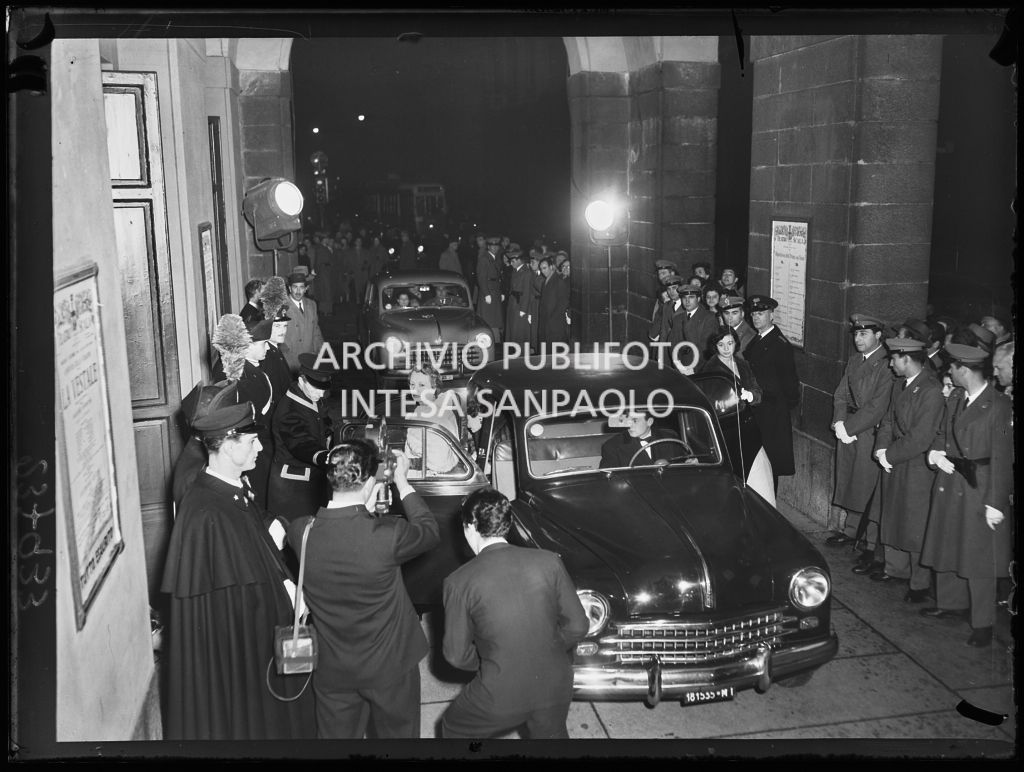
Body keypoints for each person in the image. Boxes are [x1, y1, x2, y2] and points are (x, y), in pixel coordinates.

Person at [161, 402, 315, 740]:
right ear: (229, 446)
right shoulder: (205, 512)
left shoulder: (230, 490)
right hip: (243, 655)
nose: (260, 446)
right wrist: (286, 599)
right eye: (251, 441)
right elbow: (235, 601)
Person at [287, 441, 438, 738]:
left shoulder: (300, 531)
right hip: (390, 667)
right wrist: (403, 482)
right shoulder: (387, 536)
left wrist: (362, 507)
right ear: (370, 481)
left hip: (333, 668)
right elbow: (429, 531)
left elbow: (343, 532)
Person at [440, 488, 589, 739]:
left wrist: (488, 662)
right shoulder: (549, 561)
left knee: (453, 726)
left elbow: (456, 655)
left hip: (500, 692)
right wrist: (547, 646)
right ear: (506, 524)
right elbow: (578, 626)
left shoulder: (458, 582)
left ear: (471, 526)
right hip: (556, 683)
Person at [919, 344, 1013, 648]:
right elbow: (944, 435)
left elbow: (1002, 457)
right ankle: (950, 602)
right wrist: (937, 453)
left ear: (964, 370)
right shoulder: (957, 398)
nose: (948, 372)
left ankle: (983, 623)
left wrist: (996, 503)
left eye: (952, 368)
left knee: (980, 558)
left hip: (980, 487)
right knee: (948, 541)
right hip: (952, 480)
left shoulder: (998, 405)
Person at [872, 337, 944, 598]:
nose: (891, 364)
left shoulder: (931, 390)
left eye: (894, 359)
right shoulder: (900, 385)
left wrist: (889, 455)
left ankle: (919, 583)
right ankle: (895, 568)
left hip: (915, 464)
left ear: (907, 359)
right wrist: (880, 450)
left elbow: (922, 437)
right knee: (893, 514)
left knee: (915, 523)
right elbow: (888, 420)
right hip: (895, 458)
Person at [826, 314, 894, 580]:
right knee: (850, 482)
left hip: (866, 432)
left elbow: (878, 406)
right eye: (856, 334)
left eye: (864, 334)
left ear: (878, 336)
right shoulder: (855, 361)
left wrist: (850, 428)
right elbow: (840, 394)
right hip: (849, 430)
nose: (858, 339)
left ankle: (868, 543)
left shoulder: (885, 365)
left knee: (866, 485)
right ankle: (850, 531)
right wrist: (839, 422)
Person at [267, 352, 337, 524]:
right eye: (317, 389)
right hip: (293, 487)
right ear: (301, 380)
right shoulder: (289, 409)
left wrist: (328, 432)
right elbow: (300, 443)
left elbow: (322, 418)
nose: (321, 395)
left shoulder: (309, 395)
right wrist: (325, 456)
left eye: (324, 390)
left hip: (312, 480)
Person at [743, 295, 800, 493]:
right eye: (753, 314)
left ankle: (768, 506)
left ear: (771, 315)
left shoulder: (779, 345)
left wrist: (779, 407)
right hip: (758, 410)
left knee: (769, 466)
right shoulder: (756, 340)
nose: (756, 317)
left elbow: (790, 384)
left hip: (771, 412)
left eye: (761, 313)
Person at [402, 364, 461, 475]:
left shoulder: (432, 413)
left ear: (433, 388)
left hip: (429, 477)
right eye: (412, 385)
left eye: (422, 385)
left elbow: (438, 459)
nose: (415, 390)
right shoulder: (442, 409)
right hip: (439, 474)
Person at [599, 409, 679, 468]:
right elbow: (607, 479)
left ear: (649, 422)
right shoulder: (612, 446)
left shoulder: (670, 439)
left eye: (634, 421)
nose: (629, 425)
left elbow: (682, 465)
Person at [281, 272, 324, 375]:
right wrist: (288, 360)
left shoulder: (312, 305)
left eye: (301, 287)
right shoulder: (281, 307)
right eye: (295, 287)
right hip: (291, 362)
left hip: (310, 359)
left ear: (306, 288)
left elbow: (316, 331)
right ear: (289, 288)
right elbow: (277, 339)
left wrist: (320, 353)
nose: (298, 291)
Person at [669, 284, 717, 372]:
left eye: (691, 297)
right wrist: (678, 365)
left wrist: (693, 368)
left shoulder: (709, 317)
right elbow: (673, 344)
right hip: (681, 367)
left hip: (699, 368)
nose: (687, 301)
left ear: (698, 299)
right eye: (684, 298)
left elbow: (706, 347)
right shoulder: (677, 318)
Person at [537, 256, 570, 347]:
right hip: (545, 321)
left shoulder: (559, 281)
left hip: (554, 323)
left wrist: (553, 318)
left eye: (545, 268)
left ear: (551, 267)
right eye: (541, 269)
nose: (543, 271)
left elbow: (563, 303)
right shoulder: (545, 282)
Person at [476, 236, 504, 343]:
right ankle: (489, 341)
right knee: (489, 319)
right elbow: (481, 277)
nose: (495, 248)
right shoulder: (484, 258)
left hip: (495, 291)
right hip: (488, 292)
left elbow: (498, 278)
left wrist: (501, 292)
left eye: (496, 246)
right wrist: (486, 293)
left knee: (495, 319)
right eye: (492, 246)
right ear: (488, 247)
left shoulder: (495, 258)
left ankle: (495, 340)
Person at [504, 246, 532, 347]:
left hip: (520, 305)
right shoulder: (515, 271)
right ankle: (515, 351)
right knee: (512, 330)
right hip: (513, 304)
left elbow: (527, 291)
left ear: (519, 260)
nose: (511, 263)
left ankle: (521, 355)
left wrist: (523, 309)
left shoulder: (526, 272)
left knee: (519, 332)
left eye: (513, 261)